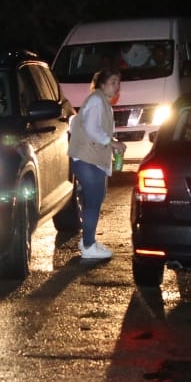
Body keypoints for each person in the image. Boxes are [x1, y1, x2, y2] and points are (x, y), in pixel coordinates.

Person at [68, 68, 126, 261]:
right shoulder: (96, 100)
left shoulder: (101, 102)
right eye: (113, 82)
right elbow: (92, 128)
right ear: (102, 84)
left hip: (90, 159)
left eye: (118, 82)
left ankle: (88, 240)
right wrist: (112, 142)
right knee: (93, 202)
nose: (117, 87)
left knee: (92, 201)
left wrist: (112, 141)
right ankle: (88, 245)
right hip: (87, 159)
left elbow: (87, 125)